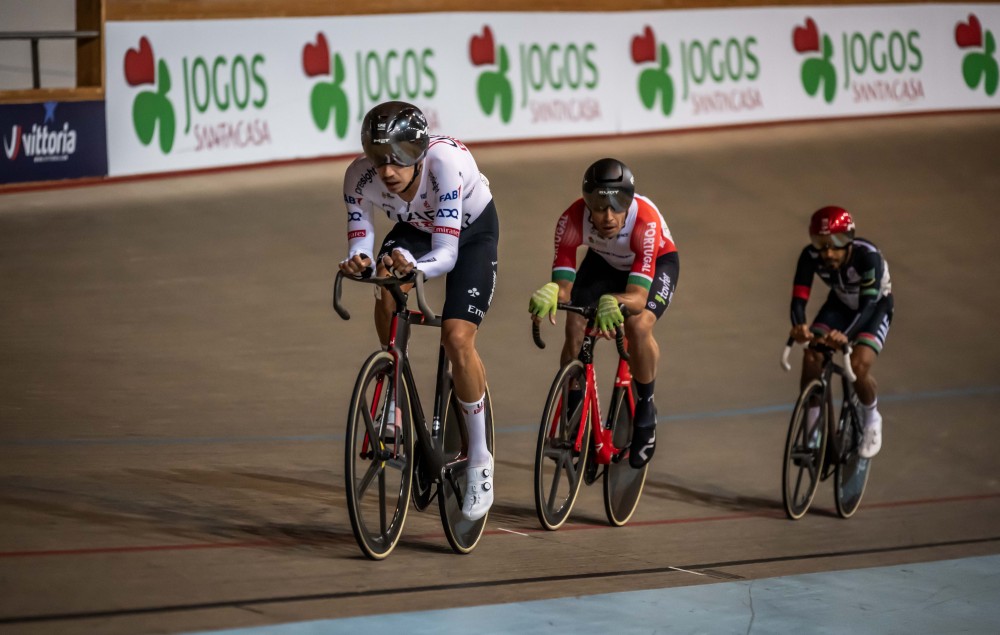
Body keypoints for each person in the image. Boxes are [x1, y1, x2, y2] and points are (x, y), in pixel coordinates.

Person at [338, 101, 499, 521]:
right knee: (387, 287)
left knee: (457, 338)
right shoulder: (359, 177)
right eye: (379, 158)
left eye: (398, 158)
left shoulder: (444, 164)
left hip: (470, 233)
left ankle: (480, 459)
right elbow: (361, 239)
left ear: (419, 150)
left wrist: (415, 266)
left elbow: (446, 255)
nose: (387, 171)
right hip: (417, 227)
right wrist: (360, 259)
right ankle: (392, 388)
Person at [528, 158, 679, 469]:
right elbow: (565, 287)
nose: (608, 216)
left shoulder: (645, 222)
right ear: (587, 205)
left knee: (638, 326)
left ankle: (646, 410)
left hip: (655, 264)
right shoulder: (570, 220)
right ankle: (574, 418)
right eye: (599, 207)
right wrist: (553, 290)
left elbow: (636, 297)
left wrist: (614, 301)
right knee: (574, 325)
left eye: (617, 206)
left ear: (629, 202)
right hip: (604, 263)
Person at [789, 205, 893, 458]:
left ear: (849, 239)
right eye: (821, 243)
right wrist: (800, 325)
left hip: (873, 307)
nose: (828, 252)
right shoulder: (810, 256)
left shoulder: (868, 257)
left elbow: (867, 305)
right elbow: (799, 297)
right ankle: (813, 426)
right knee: (812, 354)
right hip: (840, 304)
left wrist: (845, 336)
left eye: (836, 244)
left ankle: (871, 418)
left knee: (858, 365)